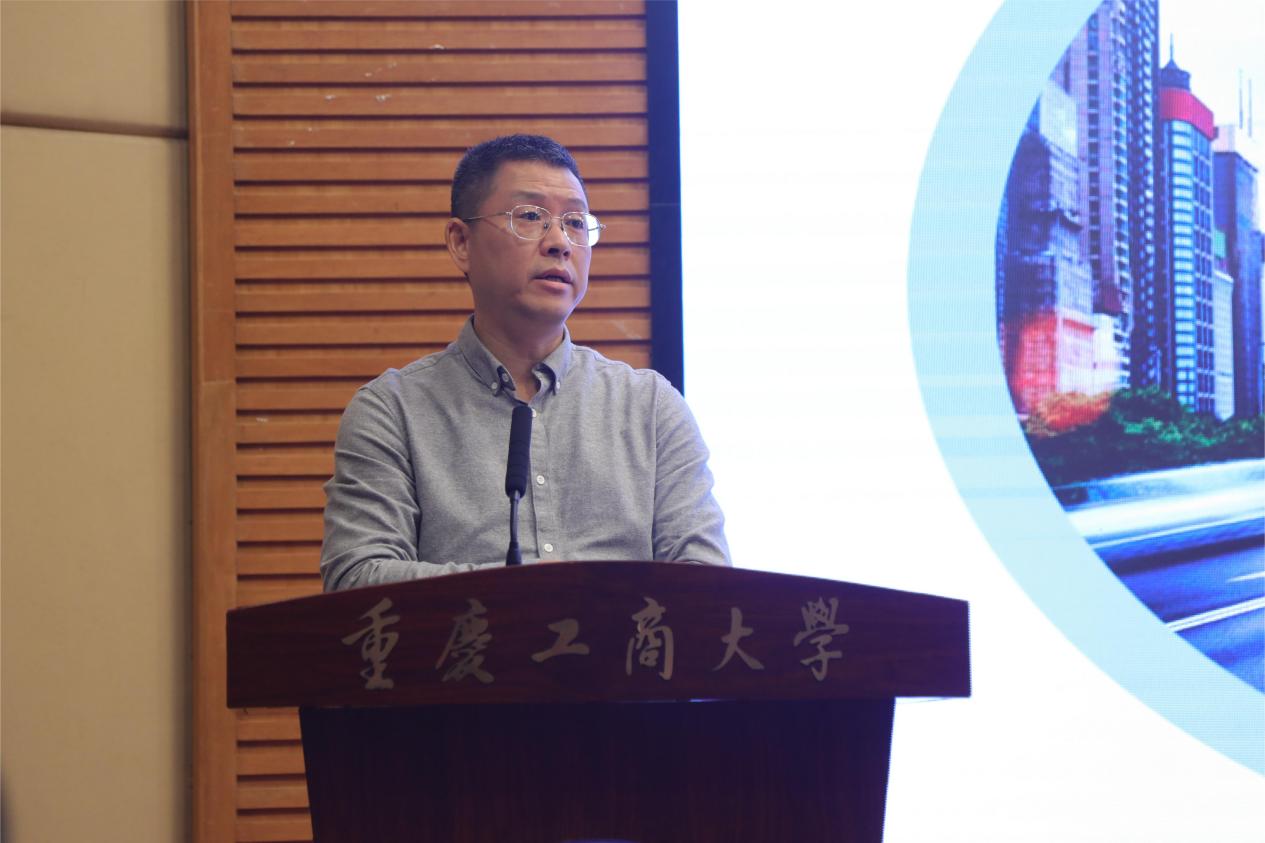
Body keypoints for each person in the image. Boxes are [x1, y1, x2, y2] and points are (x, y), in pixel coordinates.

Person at [320, 134, 728, 591]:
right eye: (531, 217)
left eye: (575, 222)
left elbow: (706, 582)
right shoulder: (392, 411)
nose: (560, 243)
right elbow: (358, 579)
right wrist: (530, 596)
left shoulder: (650, 407)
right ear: (461, 242)